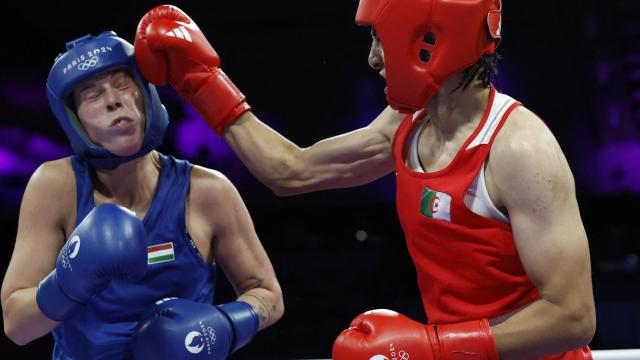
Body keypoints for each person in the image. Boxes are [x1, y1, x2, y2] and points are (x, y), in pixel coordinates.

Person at [133, 1, 595, 359]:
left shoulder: (519, 150)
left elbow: (573, 316)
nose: (374, 58)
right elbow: (291, 171)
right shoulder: (407, 123)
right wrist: (202, 80)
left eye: (380, 37)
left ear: (428, 40)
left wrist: (433, 347)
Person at [1, 30, 283, 359]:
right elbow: (16, 326)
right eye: (92, 95)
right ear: (75, 119)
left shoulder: (207, 191)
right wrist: (68, 284)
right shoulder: (55, 187)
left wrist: (222, 324)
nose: (112, 100)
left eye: (122, 84)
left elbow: (268, 295)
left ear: (145, 93)